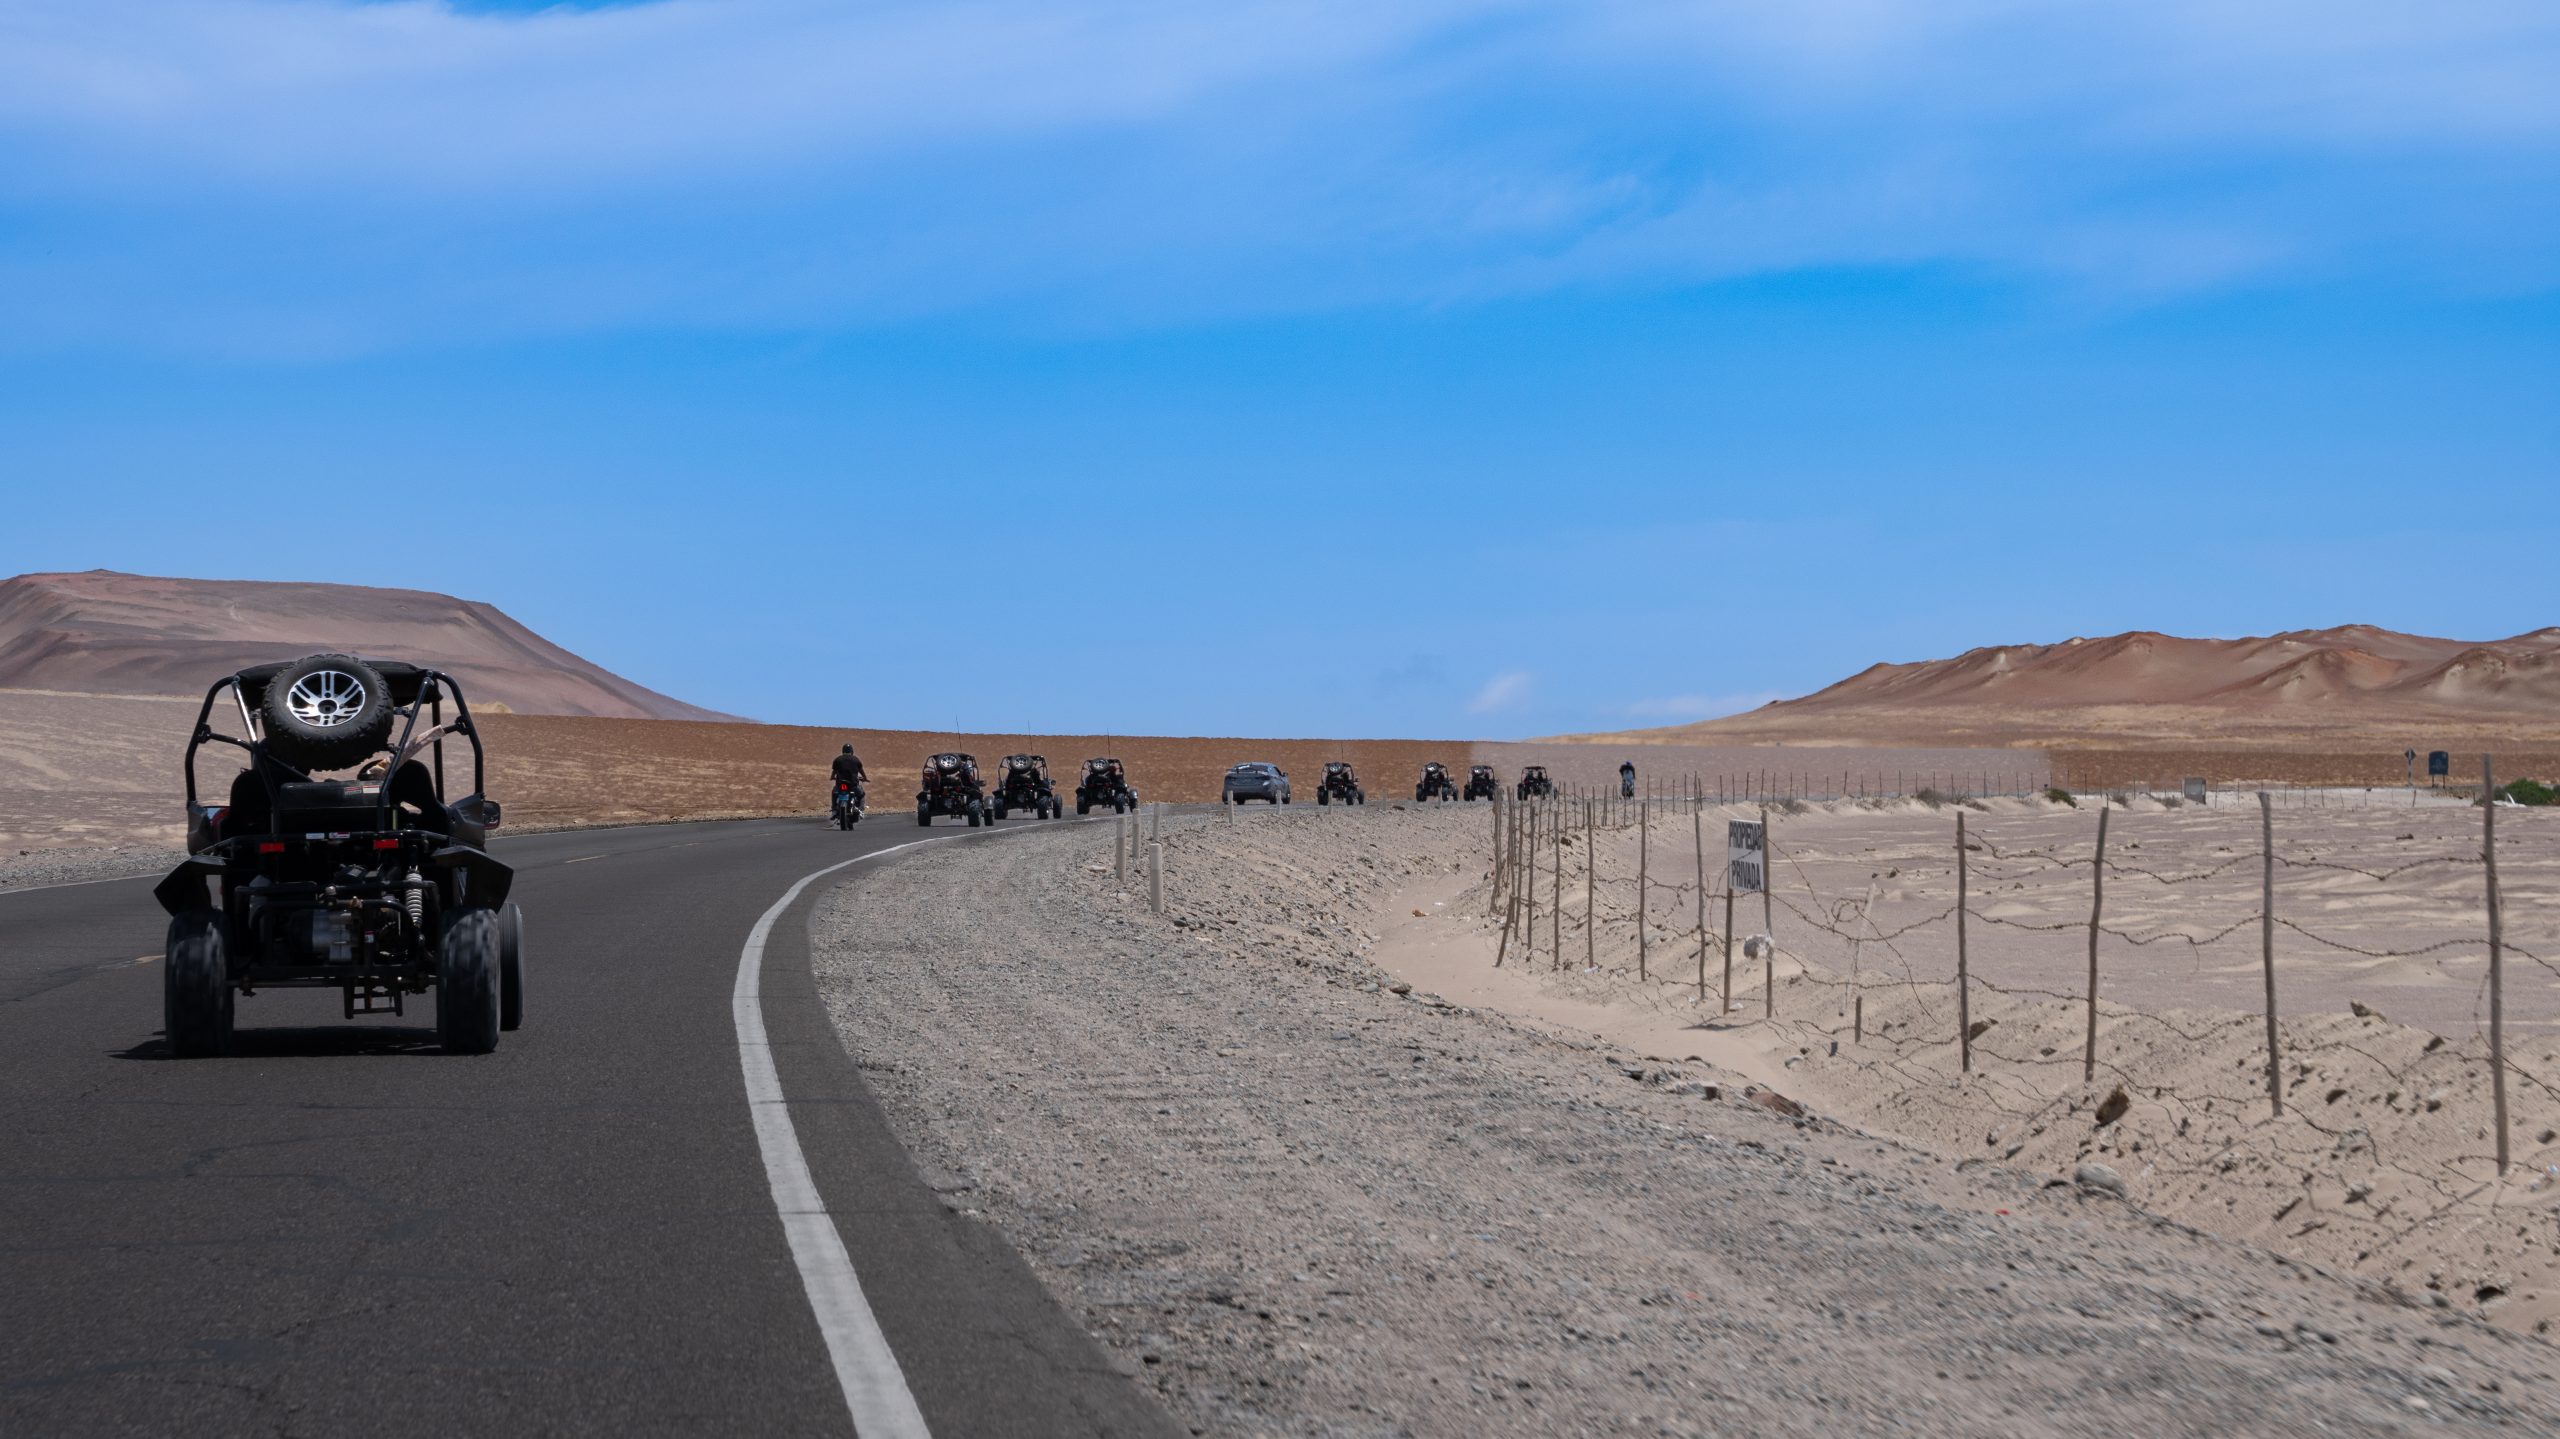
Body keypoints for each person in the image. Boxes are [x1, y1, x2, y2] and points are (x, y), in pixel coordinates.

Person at [831, 745, 868, 813]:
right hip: (853, 784)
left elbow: (834, 771)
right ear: (852, 751)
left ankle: (834, 809)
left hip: (840, 784)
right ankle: (860, 809)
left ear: (843, 751)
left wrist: (832, 777)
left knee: (834, 793)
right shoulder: (856, 759)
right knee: (862, 794)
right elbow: (861, 771)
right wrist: (865, 778)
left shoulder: (837, 759)